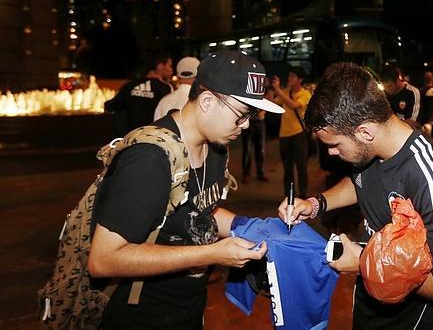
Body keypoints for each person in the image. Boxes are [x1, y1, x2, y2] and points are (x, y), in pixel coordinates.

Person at [88, 50, 285, 329]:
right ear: (206, 101)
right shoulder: (150, 160)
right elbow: (104, 259)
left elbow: (200, 210)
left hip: (187, 309)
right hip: (141, 317)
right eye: (241, 115)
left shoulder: (215, 147)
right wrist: (213, 254)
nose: (246, 125)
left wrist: (252, 227)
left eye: (251, 115)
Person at [279, 62, 433, 329]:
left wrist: (363, 264)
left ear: (364, 131)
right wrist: (317, 204)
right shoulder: (370, 149)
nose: (331, 153)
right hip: (369, 308)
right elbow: (360, 181)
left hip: (408, 321)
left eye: (335, 145)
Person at [104, 52, 174, 136]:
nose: (171, 70)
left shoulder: (130, 85)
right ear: (160, 66)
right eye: (169, 65)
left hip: (129, 137)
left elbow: (110, 106)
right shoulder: (166, 88)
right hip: (152, 137)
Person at [271, 66, 312, 198]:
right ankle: (289, 195)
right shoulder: (285, 91)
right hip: (284, 135)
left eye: (293, 76)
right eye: (289, 76)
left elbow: (293, 105)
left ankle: (304, 194)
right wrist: (271, 89)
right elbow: (273, 102)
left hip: (298, 134)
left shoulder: (305, 94)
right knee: (287, 169)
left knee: (302, 167)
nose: (289, 78)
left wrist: (278, 90)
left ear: (300, 79)